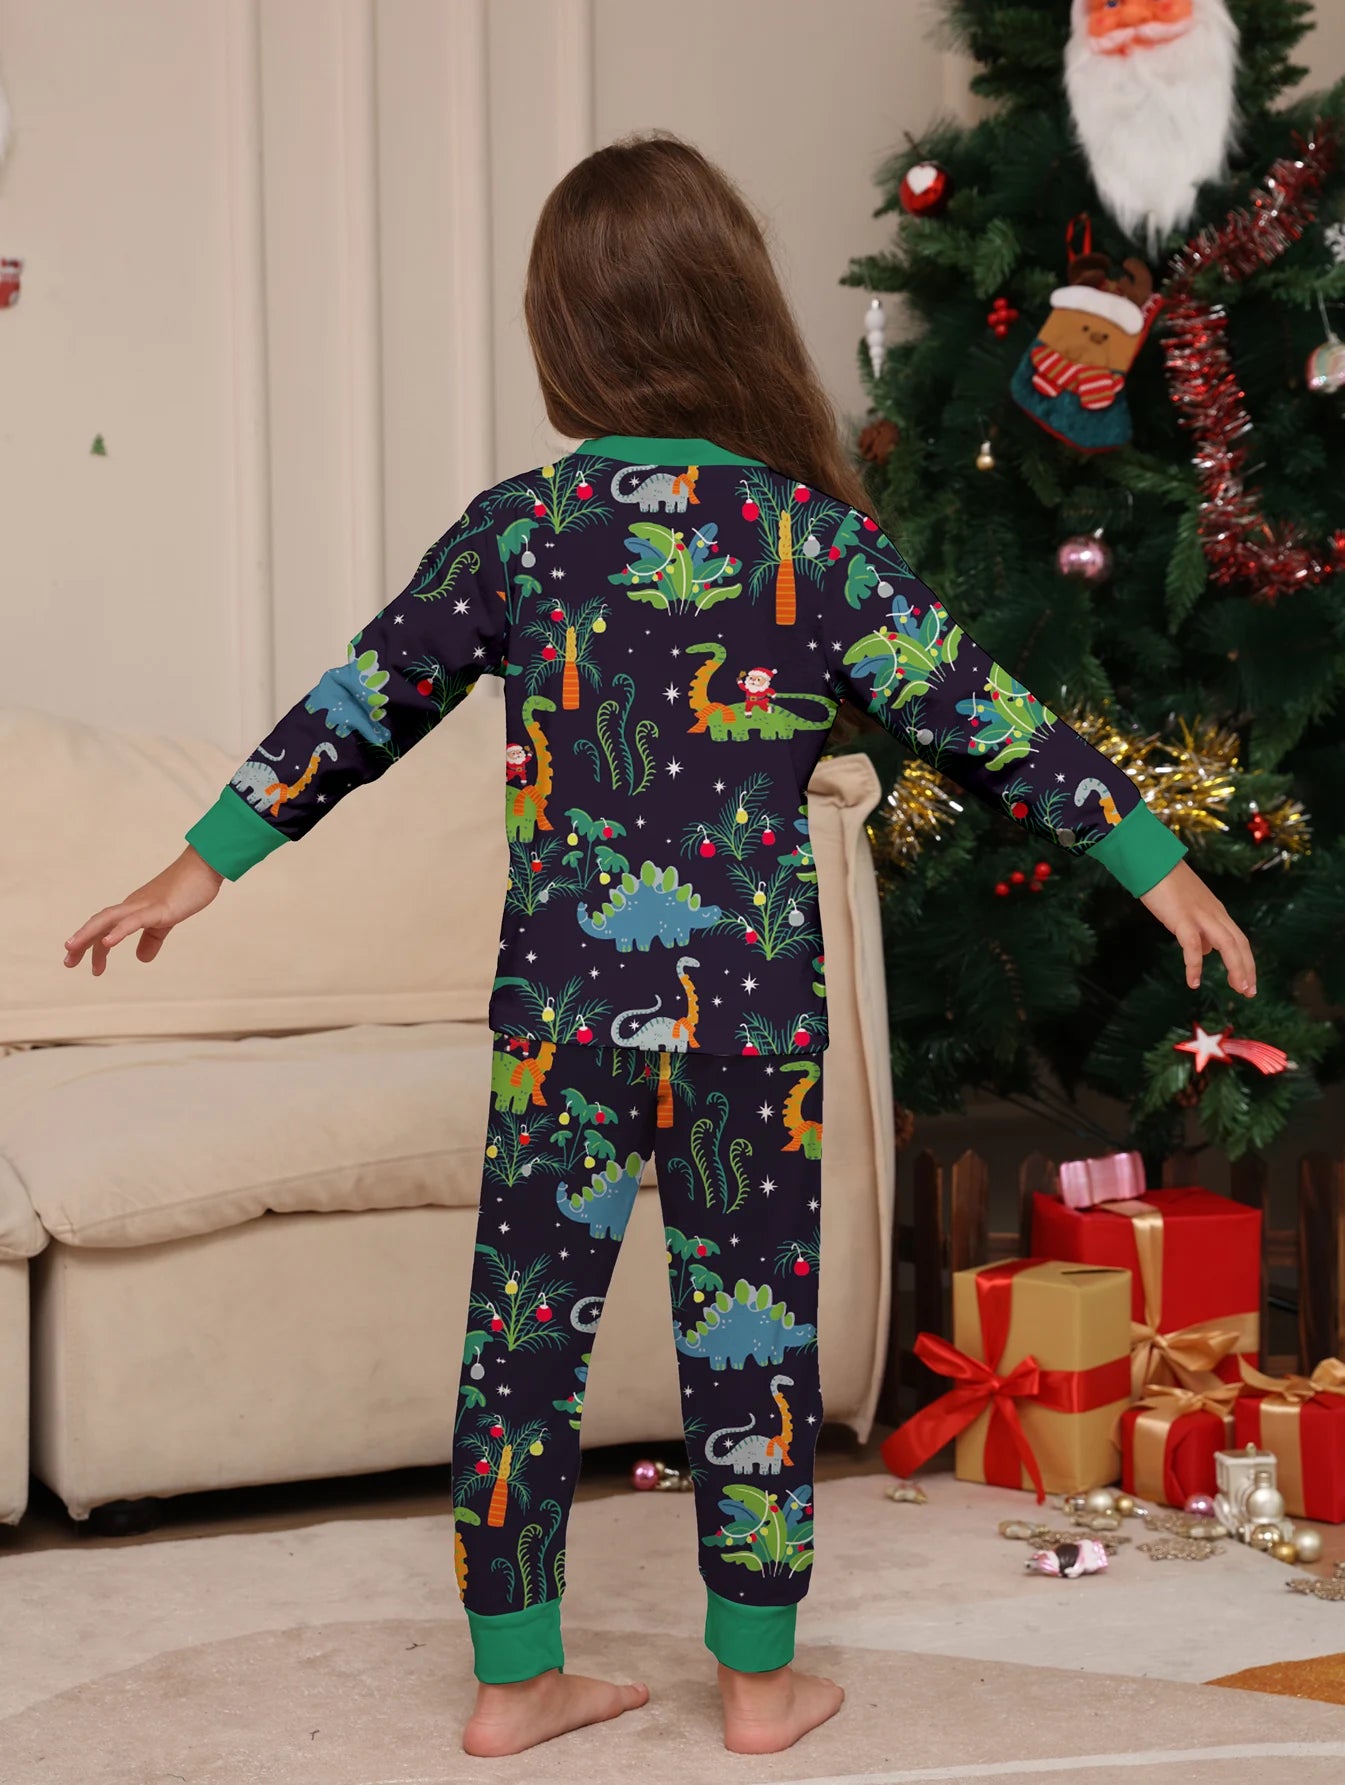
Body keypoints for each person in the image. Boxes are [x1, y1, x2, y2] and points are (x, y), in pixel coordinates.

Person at [63, 131, 1257, 1759]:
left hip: (564, 1012)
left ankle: (512, 1679)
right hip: (747, 1022)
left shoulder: (522, 529)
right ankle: (758, 1682)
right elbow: (985, 712)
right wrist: (1152, 862)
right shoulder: (804, 539)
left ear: (563, 331)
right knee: (747, 1331)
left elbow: (359, 701)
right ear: (733, 311)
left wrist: (201, 864)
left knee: (522, 1335)